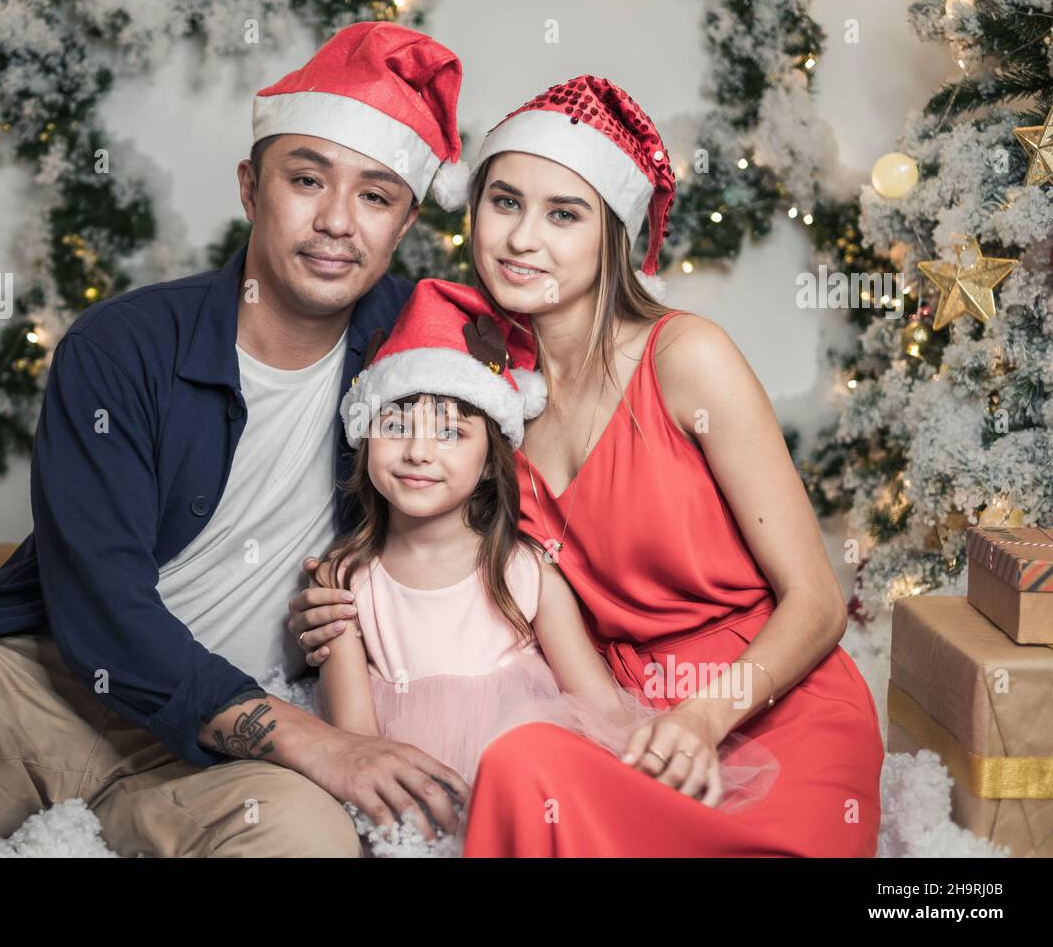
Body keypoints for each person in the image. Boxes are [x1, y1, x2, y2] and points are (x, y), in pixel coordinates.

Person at [0, 21, 474, 858]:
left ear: (403, 225)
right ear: (252, 189)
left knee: (305, 840)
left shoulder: (423, 354)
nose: (336, 221)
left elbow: (575, 360)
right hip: (42, 677)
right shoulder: (121, 348)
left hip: (222, 744)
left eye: (374, 195)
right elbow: (103, 608)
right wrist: (311, 739)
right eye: (306, 180)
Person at [288, 75, 885, 857]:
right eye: (503, 203)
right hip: (610, 712)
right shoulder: (486, 398)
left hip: (764, 701)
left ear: (612, 235)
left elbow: (816, 602)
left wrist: (704, 716)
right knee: (520, 766)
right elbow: (432, 552)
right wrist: (333, 611)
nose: (521, 239)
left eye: (562, 214)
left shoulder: (687, 359)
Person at [310, 279, 779, 847]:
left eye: (451, 433)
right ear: (365, 437)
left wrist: (657, 757)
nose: (418, 452)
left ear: (490, 462)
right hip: (411, 786)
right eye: (395, 425)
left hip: (528, 784)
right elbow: (356, 738)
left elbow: (598, 701)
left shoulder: (522, 568)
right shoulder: (346, 579)